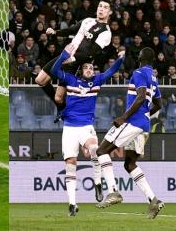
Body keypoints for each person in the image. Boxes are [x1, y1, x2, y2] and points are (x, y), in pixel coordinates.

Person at [51, 45, 124, 216]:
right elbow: (54, 69)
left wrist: (120, 58)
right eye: (86, 67)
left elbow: (112, 70)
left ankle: (100, 184)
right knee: (70, 165)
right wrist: (64, 55)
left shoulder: (96, 81)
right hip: (69, 128)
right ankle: (72, 204)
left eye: (92, 68)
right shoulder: (70, 80)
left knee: (95, 150)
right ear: (80, 70)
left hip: (86, 127)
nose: (90, 70)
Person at [96, 47, 165, 219]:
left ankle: (113, 192)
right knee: (129, 164)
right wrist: (145, 115)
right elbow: (158, 104)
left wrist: (124, 117)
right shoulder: (153, 77)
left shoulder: (140, 72)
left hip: (133, 121)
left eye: (140, 52)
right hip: (143, 124)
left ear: (143, 56)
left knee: (101, 150)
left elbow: (141, 96)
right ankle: (153, 200)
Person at [35, 0, 113, 121]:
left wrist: (72, 59)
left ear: (110, 12)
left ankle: (66, 112)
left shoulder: (106, 33)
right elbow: (71, 30)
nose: (101, 9)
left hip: (75, 63)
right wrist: (55, 32)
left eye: (105, 7)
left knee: (58, 98)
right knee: (40, 80)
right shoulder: (88, 20)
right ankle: (62, 109)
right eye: (100, 6)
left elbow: (90, 54)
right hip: (65, 56)